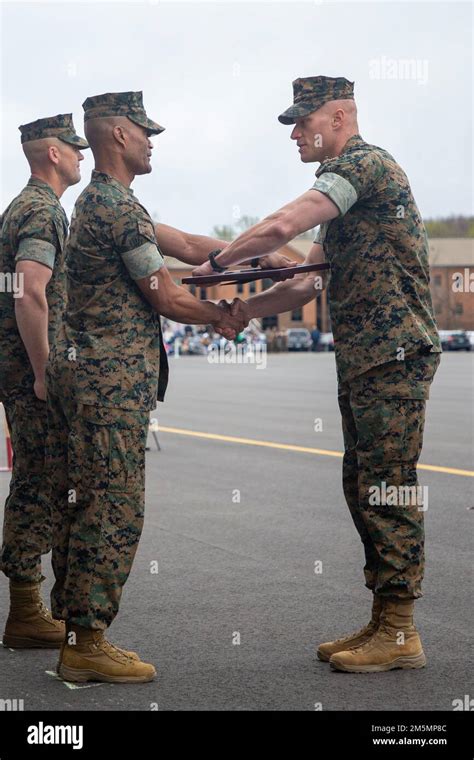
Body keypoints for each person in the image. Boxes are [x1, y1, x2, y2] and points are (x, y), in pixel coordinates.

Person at [195, 76, 442, 673]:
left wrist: (215, 264)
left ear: (339, 116)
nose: (296, 134)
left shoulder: (363, 167)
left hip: (393, 355)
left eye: (303, 122)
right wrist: (245, 313)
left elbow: (281, 227)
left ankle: (402, 630)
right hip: (365, 360)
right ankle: (385, 619)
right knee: (363, 484)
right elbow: (307, 280)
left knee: (388, 486)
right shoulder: (343, 202)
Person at [45, 91, 246, 684]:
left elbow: (184, 245)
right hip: (110, 389)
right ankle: (86, 643)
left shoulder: (102, 203)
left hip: (96, 384)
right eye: (144, 131)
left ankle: (78, 632)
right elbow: (166, 293)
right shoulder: (117, 209)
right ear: (118, 137)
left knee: (89, 505)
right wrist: (223, 315)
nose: (153, 140)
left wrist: (264, 252)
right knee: (114, 508)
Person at [0, 114, 89, 649]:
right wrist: (42, 373)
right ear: (53, 154)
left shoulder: (19, 206)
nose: (82, 155)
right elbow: (29, 292)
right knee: (43, 479)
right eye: (75, 148)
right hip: (30, 370)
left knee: (40, 476)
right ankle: (28, 610)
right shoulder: (41, 210)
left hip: (13, 365)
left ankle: (30, 606)